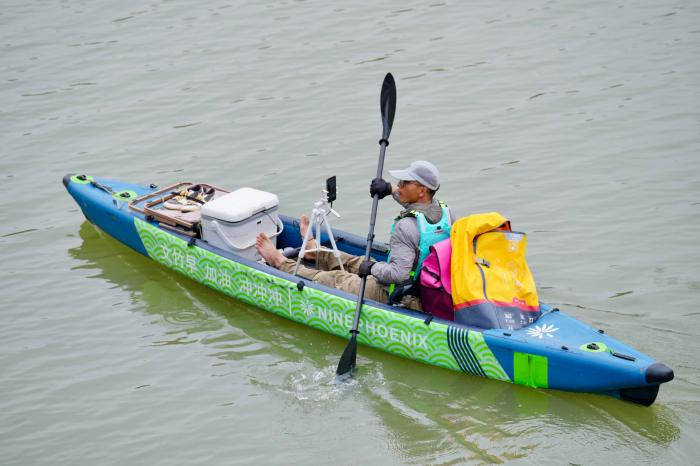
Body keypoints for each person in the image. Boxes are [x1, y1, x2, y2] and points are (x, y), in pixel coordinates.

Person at [255, 160, 455, 309]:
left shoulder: (406, 227)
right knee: (357, 261)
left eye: (404, 182)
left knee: (335, 278)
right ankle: (314, 252)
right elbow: (416, 207)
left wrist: (374, 267)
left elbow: (398, 274)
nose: (399, 185)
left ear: (421, 190)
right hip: (422, 284)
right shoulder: (445, 213)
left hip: (396, 293)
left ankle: (280, 262)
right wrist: (388, 189)